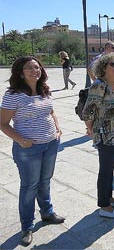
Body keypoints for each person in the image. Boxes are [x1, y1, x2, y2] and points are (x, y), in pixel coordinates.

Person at [0, 56, 64, 246]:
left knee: (45, 180)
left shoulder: (44, 90)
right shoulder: (13, 94)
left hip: (51, 143)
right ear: (20, 72)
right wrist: (21, 140)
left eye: (37, 67)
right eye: (30, 68)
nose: (35, 71)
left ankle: (47, 211)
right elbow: (3, 123)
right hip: (28, 149)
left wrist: (58, 129)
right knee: (29, 186)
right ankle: (27, 226)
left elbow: (50, 111)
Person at [82, 52, 114, 218]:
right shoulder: (99, 85)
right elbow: (88, 112)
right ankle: (104, 206)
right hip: (105, 135)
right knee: (105, 170)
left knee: (110, 169)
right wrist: (91, 129)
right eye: (112, 64)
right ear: (103, 67)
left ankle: (109, 198)